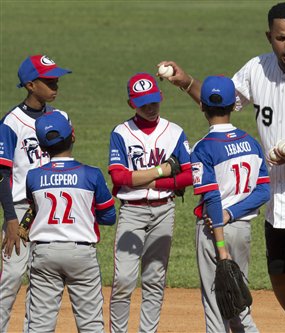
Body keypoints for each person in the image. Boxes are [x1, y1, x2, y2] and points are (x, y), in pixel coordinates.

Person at [158, 2, 285, 332]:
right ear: (270, 36)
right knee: (279, 274)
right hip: (279, 192)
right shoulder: (257, 68)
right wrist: (186, 82)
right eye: (282, 37)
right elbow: (221, 100)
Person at [108, 72, 193, 333]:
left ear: (161, 97)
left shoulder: (175, 132)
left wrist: (153, 183)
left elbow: (189, 175)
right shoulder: (121, 133)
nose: (149, 106)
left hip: (163, 210)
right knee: (123, 279)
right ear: (131, 103)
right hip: (132, 212)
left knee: (154, 279)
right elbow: (119, 176)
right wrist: (163, 171)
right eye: (142, 102)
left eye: (153, 101)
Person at [191, 76, 271, 332]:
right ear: (233, 105)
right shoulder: (251, 143)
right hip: (242, 230)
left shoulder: (203, 148)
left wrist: (221, 244)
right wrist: (233, 212)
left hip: (216, 232)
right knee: (238, 304)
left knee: (216, 307)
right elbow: (263, 191)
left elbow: (212, 197)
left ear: (202, 106)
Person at [24, 111, 116, 332]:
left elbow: (34, 210)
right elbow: (109, 216)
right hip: (81, 255)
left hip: (45, 254)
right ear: (72, 135)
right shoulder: (91, 174)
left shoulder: (33, 177)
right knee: (91, 324)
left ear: (42, 147)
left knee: (39, 324)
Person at [0, 54, 71, 332]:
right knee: (12, 276)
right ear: (30, 85)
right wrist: (10, 219)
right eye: (48, 80)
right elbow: (2, 175)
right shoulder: (11, 122)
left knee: (43, 280)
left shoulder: (61, 117)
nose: (55, 84)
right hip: (20, 208)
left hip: (52, 211)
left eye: (56, 78)